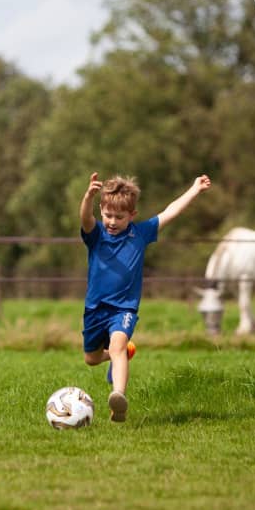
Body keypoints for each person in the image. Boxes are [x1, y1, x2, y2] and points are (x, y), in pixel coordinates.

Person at [80, 171, 212, 422]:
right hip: (95, 309)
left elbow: (170, 212)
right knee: (91, 358)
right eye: (108, 215)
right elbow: (85, 217)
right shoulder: (96, 235)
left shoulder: (140, 234)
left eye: (119, 217)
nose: (112, 221)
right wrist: (88, 196)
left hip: (124, 309)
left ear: (132, 216)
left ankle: (118, 397)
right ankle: (125, 353)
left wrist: (194, 189)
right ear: (101, 211)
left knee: (116, 346)